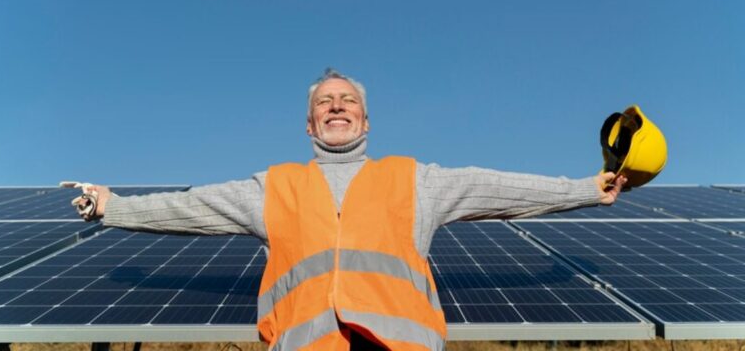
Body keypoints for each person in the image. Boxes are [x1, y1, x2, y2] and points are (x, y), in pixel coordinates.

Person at [69, 69, 626, 351]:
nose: (337, 106)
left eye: (349, 100)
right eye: (324, 103)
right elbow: (190, 207)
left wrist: (583, 189)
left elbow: (498, 189)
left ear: (366, 122)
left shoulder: (415, 180)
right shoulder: (275, 186)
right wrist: (113, 208)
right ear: (310, 126)